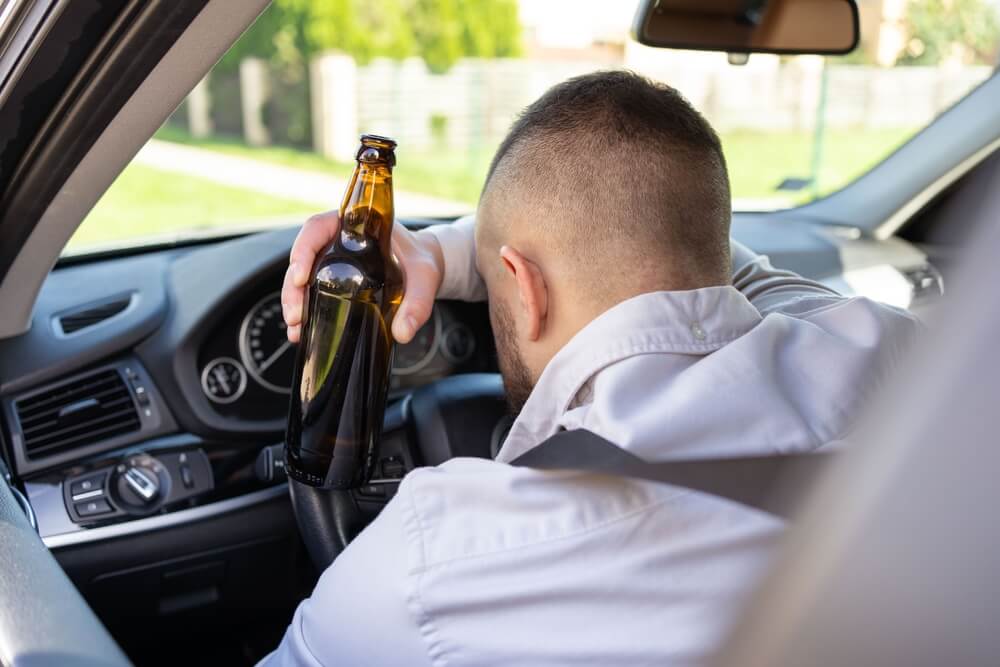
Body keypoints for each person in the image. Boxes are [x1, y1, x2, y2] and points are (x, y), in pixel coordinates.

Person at [263, 71, 917, 666]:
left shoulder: (430, 563)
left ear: (522, 288)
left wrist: (440, 249)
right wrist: (444, 248)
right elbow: (698, 243)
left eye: (495, 288)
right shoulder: (881, 346)